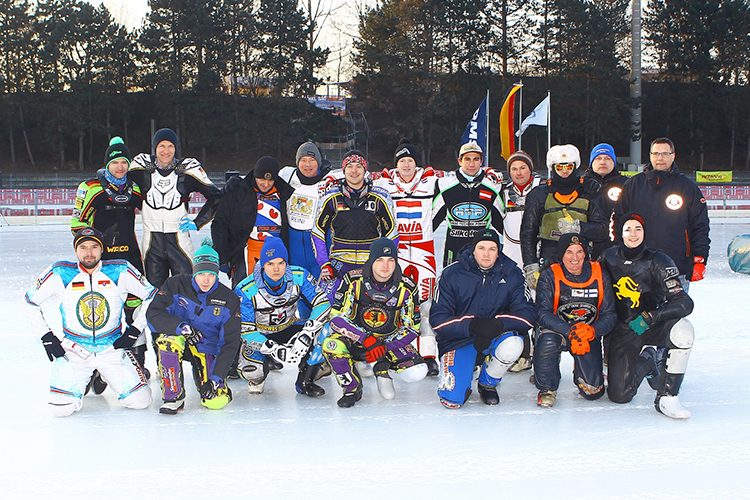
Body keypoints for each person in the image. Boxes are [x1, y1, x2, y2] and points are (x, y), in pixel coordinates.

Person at [24, 228, 156, 417]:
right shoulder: (60, 273)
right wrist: (46, 337)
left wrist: (134, 330)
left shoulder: (120, 270)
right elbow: (29, 302)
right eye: (83, 247)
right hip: (75, 350)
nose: (89, 252)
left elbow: (153, 297)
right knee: (60, 410)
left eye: (94, 247)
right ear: (76, 250)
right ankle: (86, 377)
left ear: (101, 249)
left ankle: (102, 372)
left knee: (141, 402)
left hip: (112, 347)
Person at [71, 136, 149, 388]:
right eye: (115, 162)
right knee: (103, 311)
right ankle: (96, 368)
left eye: (124, 162)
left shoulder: (136, 188)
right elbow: (76, 224)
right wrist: (94, 245)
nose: (119, 167)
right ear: (108, 164)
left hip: (130, 259)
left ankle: (138, 362)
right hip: (102, 262)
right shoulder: (91, 187)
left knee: (134, 310)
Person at [601, 212, 695, 419]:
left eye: (638, 229)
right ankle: (648, 359)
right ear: (619, 233)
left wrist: (651, 316)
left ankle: (668, 397)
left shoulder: (659, 260)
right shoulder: (607, 257)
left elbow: (684, 302)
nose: (633, 234)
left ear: (645, 232)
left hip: (651, 324)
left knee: (683, 330)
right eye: (628, 229)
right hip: (624, 328)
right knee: (619, 395)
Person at [430, 228, 536, 408]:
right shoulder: (451, 274)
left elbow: (528, 314)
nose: (486, 254)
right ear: (473, 249)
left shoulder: (512, 273)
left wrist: (498, 324)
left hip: (495, 336)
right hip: (459, 341)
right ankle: (466, 369)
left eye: (492, 249)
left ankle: (487, 383)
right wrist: (473, 325)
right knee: (451, 401)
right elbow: (438, 320)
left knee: (513, 344)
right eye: (481, 248)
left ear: (498, 251)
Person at [322, 238, 427, 407]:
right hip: (358, 339)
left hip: (389, 342)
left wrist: (384, 347)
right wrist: (367, 340)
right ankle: (352, 388)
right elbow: (336, 319)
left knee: (418, 372)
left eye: (390, 260)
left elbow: (412, 329)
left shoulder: (407, 286)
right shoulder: (352, 280)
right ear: (371, 260)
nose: (385, 266)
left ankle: (381, 367)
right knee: (331, 344)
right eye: (379, 260)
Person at [372, 138, 444, 376]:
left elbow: (462, 175)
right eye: (402, 161)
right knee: (391, 301)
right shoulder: (383, 180)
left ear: (416, 162)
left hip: (424, 250)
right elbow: (353, 174)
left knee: (426, 305)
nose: (406, 165)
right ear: (396, 163)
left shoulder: (431, 179)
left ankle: (429, 355)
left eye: (410, 160)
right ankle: (389, 352)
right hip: (396, 251)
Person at [146, 240, 241, 414]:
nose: (206, 280)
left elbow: (230, 343)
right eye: (202, 273)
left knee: (215, 402)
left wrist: (216, 378)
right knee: (167, 342)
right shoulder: (175, 284)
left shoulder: (229, 299)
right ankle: (173, 396)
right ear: (194, 272)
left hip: (206, 347)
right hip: (178, 338)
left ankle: (214, 384)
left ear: (217, 275)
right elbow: (153, 315)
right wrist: (183, 328)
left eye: (211, 274)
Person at [235, 237, 331, 396]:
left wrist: (307, 333)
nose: (276, 269)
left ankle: (306, 381)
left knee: (326, 330)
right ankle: (263, 365)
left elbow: (322, 301)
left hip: (289, 328)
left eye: (281, 263)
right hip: (261, 334)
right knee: (252, 372)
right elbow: (245, 330)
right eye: (270, 264)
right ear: (262, 264)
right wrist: (272, 348)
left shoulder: (299, 276)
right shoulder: (245, 289)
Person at [129, 128, 221, 288]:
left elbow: (216, 197)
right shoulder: (141, 167)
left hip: (179, 241)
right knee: (154, 294)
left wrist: (198, 222)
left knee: (187, 290)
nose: (166, 151)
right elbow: (119, 175)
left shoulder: (188, 169)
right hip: (152, 242)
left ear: (176, 148)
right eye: (161, 146)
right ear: (154, 147)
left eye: (170, 146)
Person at [533, 234, 616, 408]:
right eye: (569, 252)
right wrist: (569, 331)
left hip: (587, 333)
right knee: (547, 340)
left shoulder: (600, 275)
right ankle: (547, 387)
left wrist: (593, 331)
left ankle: (582, 372)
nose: (575, 258)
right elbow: (542, 313)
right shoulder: (549, 275)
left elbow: (610, 314)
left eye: (579, 252)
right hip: (559, 331)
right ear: (562, 255)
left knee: (592, 392)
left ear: (586, 254)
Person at [614, 137, 710, 286]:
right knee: (641, 309)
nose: (660, 158)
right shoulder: (634, 185)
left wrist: (700, 258)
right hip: (639, 266)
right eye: (656, 153)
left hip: (676, 266)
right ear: (650, 156)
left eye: (665, 154)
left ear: (673, 155)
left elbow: (700, 226)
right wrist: (619, 255)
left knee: (676, 309)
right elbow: (619, 221)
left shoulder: (687, 187)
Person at [312, 150, 398, 301]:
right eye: (350, 166)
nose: (354, 171)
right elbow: (317, 231)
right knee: (325, 302)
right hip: (338, 264)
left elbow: (391, 234)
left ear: (365, 170)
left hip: (370, 263)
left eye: (358, 166)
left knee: (373, 308)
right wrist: (325, 264)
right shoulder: (331, 196)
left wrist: (384, 262)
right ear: (343, 169)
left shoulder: (380, 197)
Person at [520, 144, 607, 290]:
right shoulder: (539, 194)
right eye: (559, 167)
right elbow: (528, 233)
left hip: (580, 259)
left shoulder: (590, 192)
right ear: (553, 168)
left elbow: (602, 230)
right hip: (549, 257)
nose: (565, 171)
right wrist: (530, 265)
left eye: (569, 166)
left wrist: (580, 228)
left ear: (575, 166)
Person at [212, 156, 293, 287]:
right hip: (245, 252)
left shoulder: (285, 192)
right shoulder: (238, 190)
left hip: (276, 253)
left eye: (270, 180)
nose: (266, 184)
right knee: (244, 294)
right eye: (261, 179)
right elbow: (220, 224)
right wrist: (222, 256)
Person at [499, 150, 541, 373]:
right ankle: (522, 353)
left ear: (530, 169)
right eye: (514, 168)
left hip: (535, 251)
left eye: (522, 167)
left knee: (539, 300)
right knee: (517, 301)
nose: (518, 172)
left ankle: (540, 352)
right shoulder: (503, 191)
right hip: (511, 251)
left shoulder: (541, 188)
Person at [433, 140, 504, 267]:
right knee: (452, 285)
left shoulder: (492, 185)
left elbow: (502, 224)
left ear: (481, 161)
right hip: (454, 249)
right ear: (460, 161)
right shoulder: (445, 185)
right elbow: (432, 220)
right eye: (467, 159)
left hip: (483, 250)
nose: (472, 164)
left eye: (476, 159)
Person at [278, 141, 337, 279]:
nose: (308, 165)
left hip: (318, 242)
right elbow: (262, 179)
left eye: (312, 160)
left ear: (319, 161)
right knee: (297, 287)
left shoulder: (330, 179)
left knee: (321, 287)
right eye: (303, 160)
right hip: (294, 243)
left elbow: (357, 176)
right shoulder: (287, 175)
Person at [584, 143, 626, 259]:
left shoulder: (626, 184)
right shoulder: (582, 184)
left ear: (614, 162)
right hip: (586, 247)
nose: (603, 162)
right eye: (598, 158)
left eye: (607, 158)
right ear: (591, 162)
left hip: (616, 246)